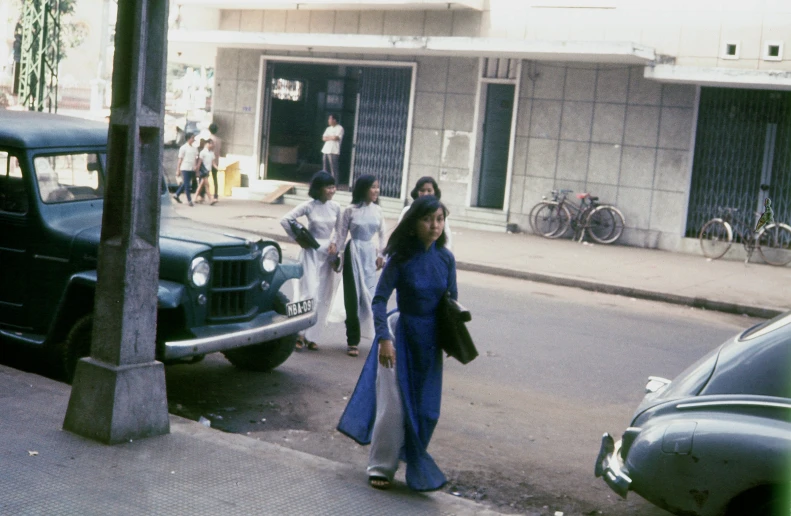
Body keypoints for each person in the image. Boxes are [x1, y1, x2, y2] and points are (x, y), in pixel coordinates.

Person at [337, 195, 456, 492]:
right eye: (428, 219)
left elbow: (451, 302)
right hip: (399, 336)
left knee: (428, 411)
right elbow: (379, 300)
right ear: (414, 223)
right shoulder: (401, 258)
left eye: (439, 219)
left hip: (430, 342)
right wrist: (384, 339)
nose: (435, 225)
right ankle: (381, 466)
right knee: (393, 408)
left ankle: (410, 456)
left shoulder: (446, 259)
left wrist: (453, 337)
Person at [279, 171, 341, 351]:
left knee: (323, 295)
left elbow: (339, 230)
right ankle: (297, 332)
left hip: (327, 255)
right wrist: (298, 239)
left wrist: (335, 244)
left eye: (333, 186)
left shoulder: (336, 207)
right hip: (310, 252)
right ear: (318, 188)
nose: (332, 190)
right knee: (308, 292)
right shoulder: (308, 206)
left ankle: (313, 336)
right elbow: (285, 220)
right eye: (328, 187)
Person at [330, 175, 386, 357]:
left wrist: (381, 255)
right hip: (353, 252)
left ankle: (377, 337)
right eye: (373, 187)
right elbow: (340, 234)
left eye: (377, 187)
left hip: (369, 253)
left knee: (369, 296)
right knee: (352, 297)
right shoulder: (350, 211)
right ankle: (352, 340)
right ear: (363, 189)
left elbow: (382, 235)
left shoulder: (378, 211)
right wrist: (335, 254)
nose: (376, 191)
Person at [399, 176, 453, 251]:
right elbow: (400, 233)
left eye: (429, 190)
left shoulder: (439, 212)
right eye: (422, 190)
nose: (425, 194)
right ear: (417, 192)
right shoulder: (408, 210)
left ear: (435, 192)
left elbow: (446, 235)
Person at [173, 132, 199, 206]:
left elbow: (196, 158)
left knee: (186, 183)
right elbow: (180, 159)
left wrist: (196, 167)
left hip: (192, 167)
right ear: (188, 139)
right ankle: (189, 200)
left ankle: (176, 194)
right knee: (187, 184)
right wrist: (178, 169)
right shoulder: (183, 148)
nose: (193, 139)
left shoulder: (195, 148)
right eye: (192, 138)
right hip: (185, 167)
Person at [321, 114, 344, 178]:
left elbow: (336, 138)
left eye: (330, 119)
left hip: (334, 151)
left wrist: (328, 137)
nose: (328, 120)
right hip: (326, 150)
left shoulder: (340, 128)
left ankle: (335, 184)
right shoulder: (328, 128)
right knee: (325, 169)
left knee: (333, 169)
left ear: (334, 120)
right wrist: (331, 137)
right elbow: (323, 138)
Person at [195, 138, 215, 203]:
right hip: (203, 171)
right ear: (207, 144)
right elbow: (199, 162)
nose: (212, 145)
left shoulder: (212, 153)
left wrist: (217, 168)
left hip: (207, 171)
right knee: (207, 186)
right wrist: (197, 171)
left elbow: (213, 163)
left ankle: (195, 198)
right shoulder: (203, 152)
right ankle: (210, 199)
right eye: (211, 144)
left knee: (201, 186)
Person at [208, 123, 222, 205]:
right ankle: (216, 195)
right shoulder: (219, 140)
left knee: (204, 178)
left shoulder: (210, 139)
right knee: (215, 178)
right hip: (216, 161)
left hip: (209, 161)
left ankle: (202, 195)